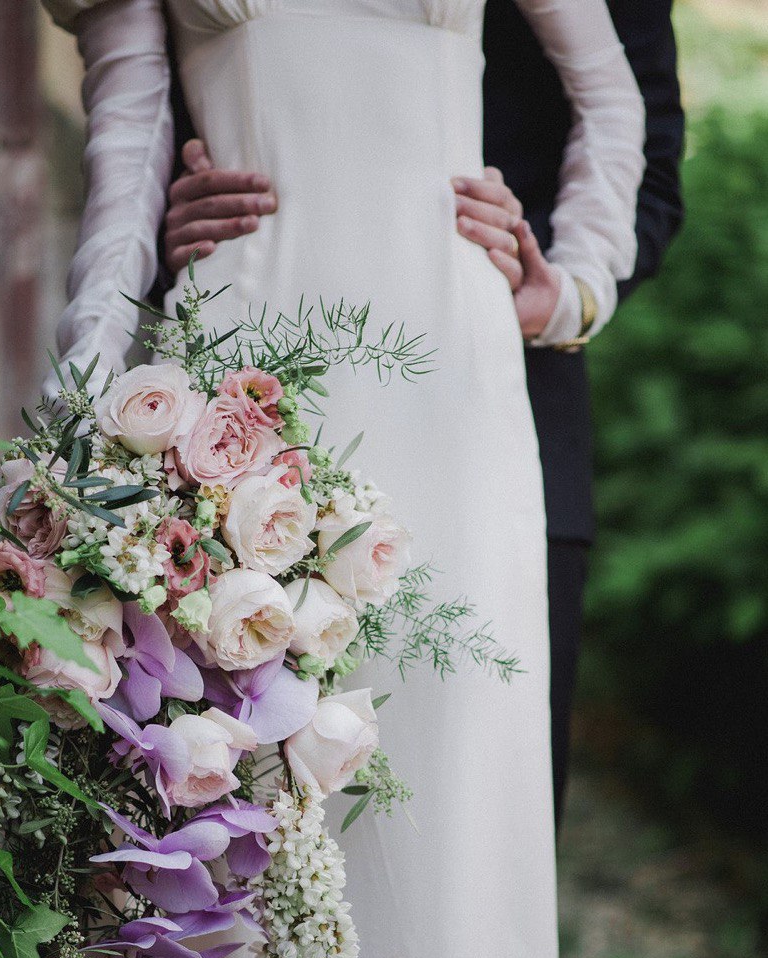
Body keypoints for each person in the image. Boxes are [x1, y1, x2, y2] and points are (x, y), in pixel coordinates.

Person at [41, 1, 645, 958]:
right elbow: (125, 148)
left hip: (452, 375)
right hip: (242, 372)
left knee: (447, 809)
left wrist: (568, 284)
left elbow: (611, 93)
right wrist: (85, 428)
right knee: (232, 799)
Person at [161, 0, 685, 829]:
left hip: (489, 396)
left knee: (477, 812)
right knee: (233, 783)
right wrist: (167, 219)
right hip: (250, 390)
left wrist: (566, 293)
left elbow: (643, 147)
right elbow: (153, 101)